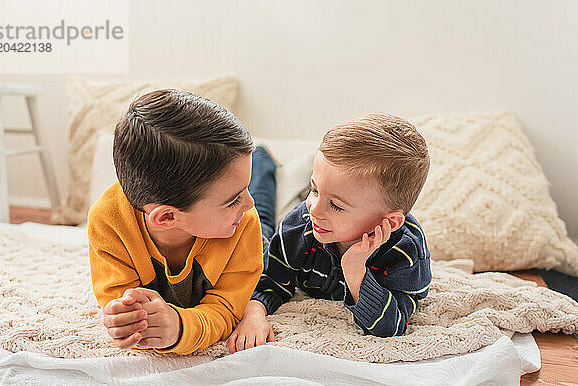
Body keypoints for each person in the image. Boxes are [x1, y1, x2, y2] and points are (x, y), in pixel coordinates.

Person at [228, 113, 432, 353]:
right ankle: (261, 160)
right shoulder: (300, 223)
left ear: (390, 221)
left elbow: (391, 326)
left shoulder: (406, 253)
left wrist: (356, 271)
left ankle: (269, 163)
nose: (314, 209)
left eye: (336, 205)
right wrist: (254, 314)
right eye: (313, 190)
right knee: (260, 219)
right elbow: (269, 282)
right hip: (283, 229)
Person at [88, 89, 264, 355]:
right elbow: (125, 308)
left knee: (268, 217)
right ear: (168, 216)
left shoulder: (244, 220)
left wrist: (180, 328)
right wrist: (128, 320)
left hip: (258, 240)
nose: (248, 204)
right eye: (232, 200)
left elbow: (228, 308)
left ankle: (267, 167)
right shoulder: (108, 222)